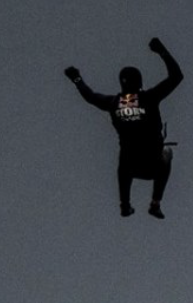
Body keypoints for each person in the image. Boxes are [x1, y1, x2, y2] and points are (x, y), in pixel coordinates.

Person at [65, 38, 183, 218]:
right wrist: (162, 51)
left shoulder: (114, 103)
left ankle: (125, 204)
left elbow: (90, 96)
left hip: (131, 165)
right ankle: (155, 203)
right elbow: (176, 76)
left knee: (125, 155)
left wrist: (77, 79)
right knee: (167, 153)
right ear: (139, 82)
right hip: (152, 163)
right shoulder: (148, 98)